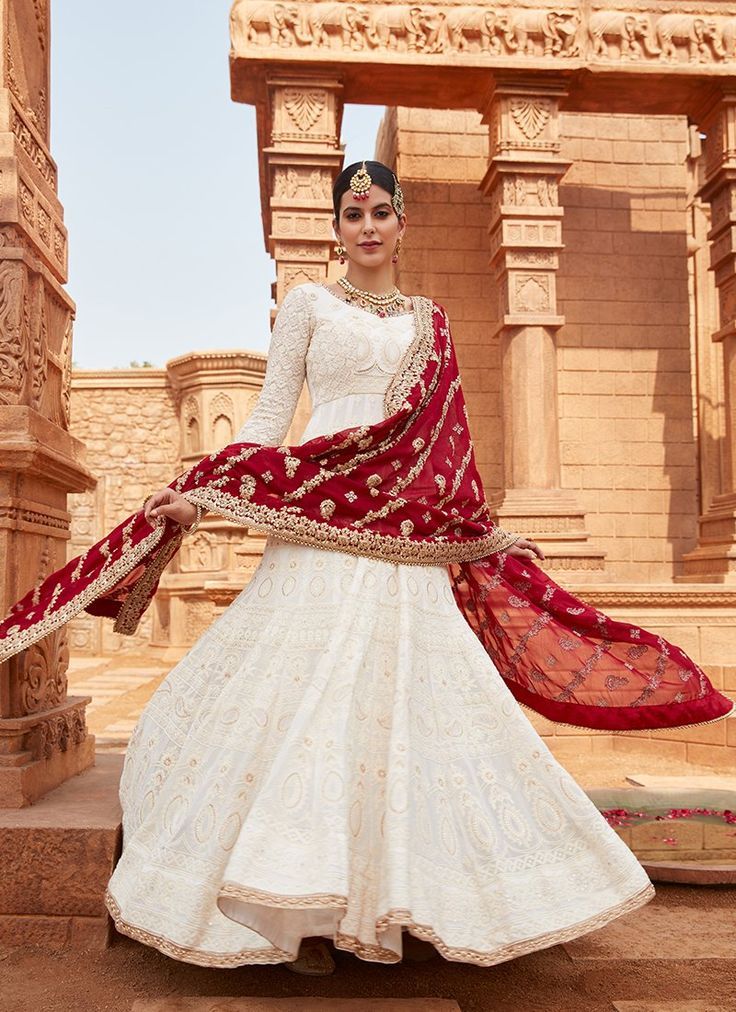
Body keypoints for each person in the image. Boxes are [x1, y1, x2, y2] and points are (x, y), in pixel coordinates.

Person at [1, 161, 730, 976]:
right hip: (315, 537)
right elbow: (272, 417)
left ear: (401, 222)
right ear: (337, 228)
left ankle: (405, 904)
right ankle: (293, 915)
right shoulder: (308, 306)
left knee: (408, 720)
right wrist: (200, 496)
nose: (369, 226)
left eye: (382, 212)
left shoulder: (431, 321)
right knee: (298, 711)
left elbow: (451, 456)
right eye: (354, 214)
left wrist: (484, 535)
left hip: (403, 555)